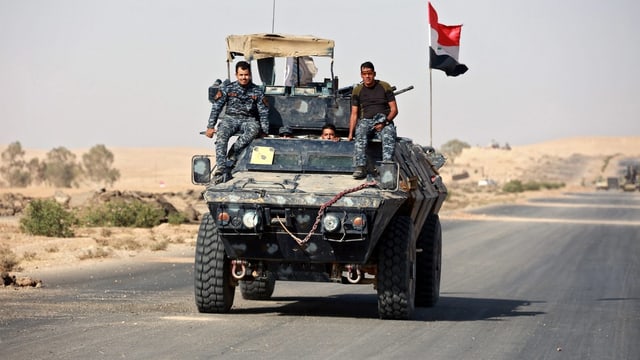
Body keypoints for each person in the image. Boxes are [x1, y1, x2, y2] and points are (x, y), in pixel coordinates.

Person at [205, 61, 270, 176]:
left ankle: (233, 152)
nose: (244, 77)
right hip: (230, 118)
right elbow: (216, 107)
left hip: (248, 119)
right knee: (222, 135)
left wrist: (264, 130)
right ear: (236, 75)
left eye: (246, 75)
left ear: (250, 75)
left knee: (254, 130)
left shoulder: (257, 91)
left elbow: (263, 112)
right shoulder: (228, 89)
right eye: (241, 75)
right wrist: (210, 126)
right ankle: (221, 167)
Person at [348, 61, 398, 179]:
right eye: (364, 74)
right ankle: (360, 167)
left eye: (369, 73)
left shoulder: (385, 87)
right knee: (360, 133)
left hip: (383, 119)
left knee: (389, 136)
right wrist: (350, 133)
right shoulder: (357, 90)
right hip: (366, 120)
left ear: (374, 73)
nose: (367, 76)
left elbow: (394, 110)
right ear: (361, 75)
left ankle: (387, 169)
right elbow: (354, 113)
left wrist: (384, 122)